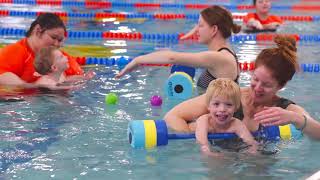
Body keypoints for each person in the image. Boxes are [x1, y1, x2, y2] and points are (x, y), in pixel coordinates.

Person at [164, 35, 320, 140]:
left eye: (266, 85)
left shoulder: (284, 109)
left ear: (281, 85)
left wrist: (295, 119)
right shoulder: (227, 97)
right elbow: (172, 116)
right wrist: (193, 138)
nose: (257, 88)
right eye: (255, 79)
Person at [115, 5, 241, 90]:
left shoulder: (217, 57)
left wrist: (138, 60)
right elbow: (224, 15)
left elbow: (171, 57)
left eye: (200, 26)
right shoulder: (226, 50)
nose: (196, 29)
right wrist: (198, 28)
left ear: (214, 29)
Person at [0, 13, 93, 88]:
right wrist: (33, 86)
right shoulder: (15, 51)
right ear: (38, 30)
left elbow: (79, 77)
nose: (57, 44)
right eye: (54, 37)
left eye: (60, 40)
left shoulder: (59, 56)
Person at [196, 78, 258, 156]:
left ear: (236, 108)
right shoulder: (204, 121)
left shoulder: (236, 124)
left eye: (228, 105)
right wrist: (211, 154)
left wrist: (251, 152)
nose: (222, 109)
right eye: (216, 104)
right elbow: (203, 145)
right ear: (208, 106)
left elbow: (251, 143)